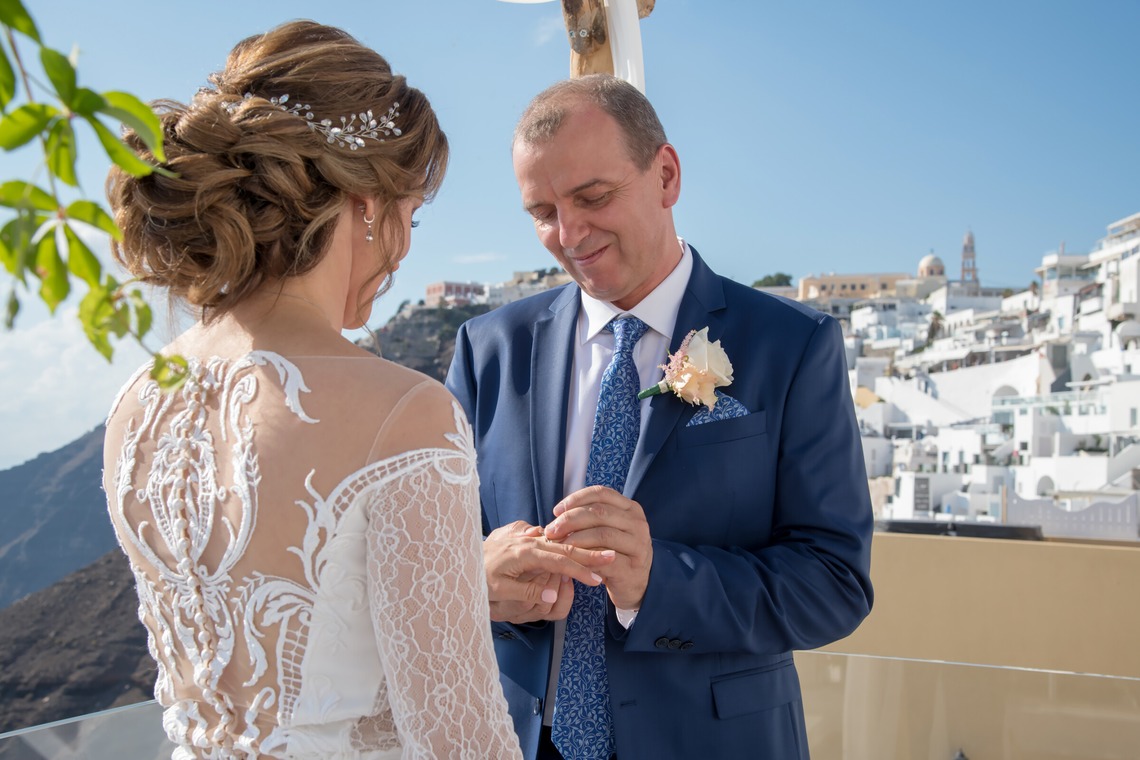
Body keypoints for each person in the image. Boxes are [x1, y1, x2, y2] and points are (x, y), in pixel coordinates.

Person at [101, 21, 578, 759]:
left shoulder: (137, 399)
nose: (406, 247)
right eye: (409, 213)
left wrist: (461, 584)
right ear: (365, 202)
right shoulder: (405, 413)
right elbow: (461, 742)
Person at [445, 74, 875, 759]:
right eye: (543, 211)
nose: (569, 234)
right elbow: (435, 553)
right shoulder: (487, 348)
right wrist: (473, 578)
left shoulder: (793, 345)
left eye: (593, 197)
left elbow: (834, 583)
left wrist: (659, 583)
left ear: (666, 175)